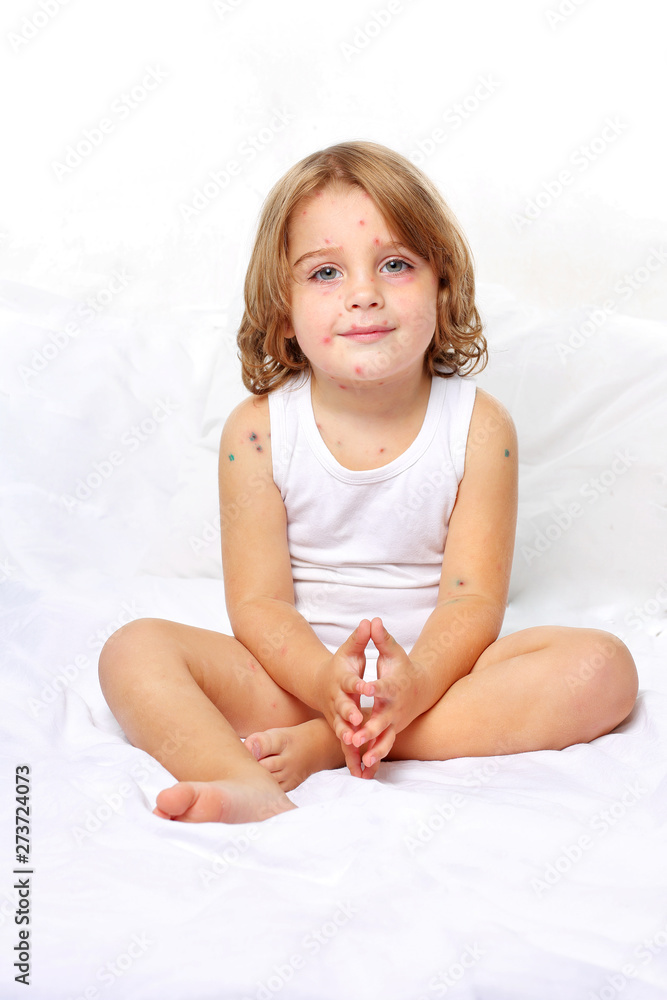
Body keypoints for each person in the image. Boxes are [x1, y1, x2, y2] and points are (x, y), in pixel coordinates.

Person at [98, 140, 638, 825]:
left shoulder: (479, 427)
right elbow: (259, 605)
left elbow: (472, 603)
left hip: (437, 683)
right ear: (283, 311)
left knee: (601, 667)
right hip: (295, 680)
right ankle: (244, 783)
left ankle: (333, 747)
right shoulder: (257, 433)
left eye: (394, 264)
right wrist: (325, 683)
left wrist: (407, 688)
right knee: (133, 650)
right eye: (324, 272)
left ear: (441, 288)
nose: (362, 294)